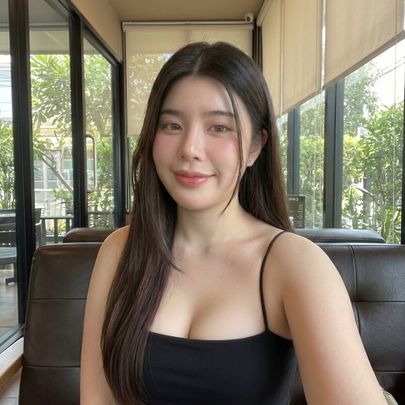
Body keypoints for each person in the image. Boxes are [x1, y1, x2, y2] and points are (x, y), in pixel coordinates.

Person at [80, 42, 387, 405]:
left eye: (219, 127)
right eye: (172, 124)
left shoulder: (293, 264)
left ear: (256, 146)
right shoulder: (119, 252)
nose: (190, 148)